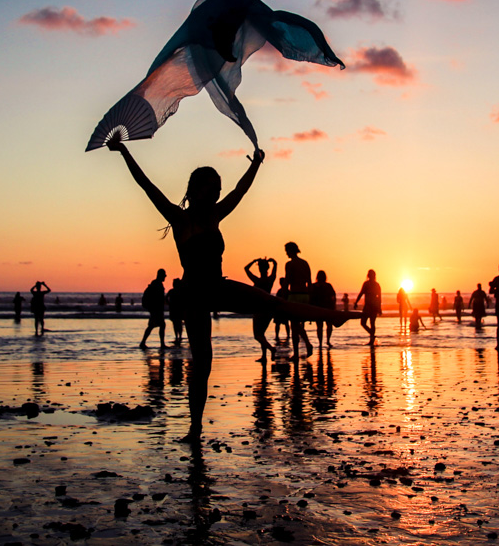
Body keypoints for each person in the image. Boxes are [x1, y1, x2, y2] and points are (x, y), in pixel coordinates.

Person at [107, 140, 353, 442]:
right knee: (203, 363)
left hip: (219, 286)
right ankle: (194, 430)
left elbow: (240, 191)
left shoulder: (215, 215)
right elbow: (147, 185)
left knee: (274, 303)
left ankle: (334, 316)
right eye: (211, 189)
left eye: (218, 190)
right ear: (196, 189)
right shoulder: (179, 218)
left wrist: (255, 163)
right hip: (195, 295)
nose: (217, 194)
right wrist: (125, 153)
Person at [284, 242, 314, 359]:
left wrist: (284, 297)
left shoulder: (289, 264)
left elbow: (287, 281)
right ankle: (306, 345)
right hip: (305, 295)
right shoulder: (304, 263)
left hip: (295, 295)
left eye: (287, 250)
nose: (286, 253)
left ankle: (298, 351)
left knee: (294, 325)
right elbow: (309, 282)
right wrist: (310, 298)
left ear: (290, 250)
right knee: (298, 325)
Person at [245, 257, 277, 361]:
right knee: (261, 334)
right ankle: (264, 356)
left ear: (260, 269)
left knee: (257, 335)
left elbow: (246, 268)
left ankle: (271, 349)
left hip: (259, 308)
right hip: (269, 309)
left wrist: (253, 261)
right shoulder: (270, 280)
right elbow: (275, 270)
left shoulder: (257, 280)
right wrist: (274, 263)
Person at [139, 268, 168, 349]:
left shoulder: (157, 283)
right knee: (158, 325)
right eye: (164, 276)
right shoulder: (157, 284)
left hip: (156, 309)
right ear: (160, 275)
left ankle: (144, 342)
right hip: (156, 309)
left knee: (154, 326)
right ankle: (160, 344)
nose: (165, 277)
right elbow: (157, 298)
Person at [310, 270, 337, 349]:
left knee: (319, 326)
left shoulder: (314, 286)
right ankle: (328, 341)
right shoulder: (328, 286)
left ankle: (320, 343)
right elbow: (333, 297)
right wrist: (334, 307)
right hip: (327, 307)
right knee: (328, 325)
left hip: (318, 308)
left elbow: (311, 298)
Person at [355, 269, 382, 346]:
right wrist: (356, 302)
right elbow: (361, 293)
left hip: (371, 306)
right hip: (370, 306)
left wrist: (379, 308)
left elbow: (379, 297)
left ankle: (371, 339)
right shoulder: (369, 284)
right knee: (365, 323)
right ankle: (372, 335)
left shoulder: (372, 284)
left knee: (368, 323)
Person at [166, 278, 185, 344]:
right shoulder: (180, 291)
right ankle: (179, 337)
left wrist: (169, 304)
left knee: (176, 323)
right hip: (177, 309)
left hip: (175, 309)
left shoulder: (172, 291)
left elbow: (165, 298)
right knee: (178, 323)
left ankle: (178, 337)